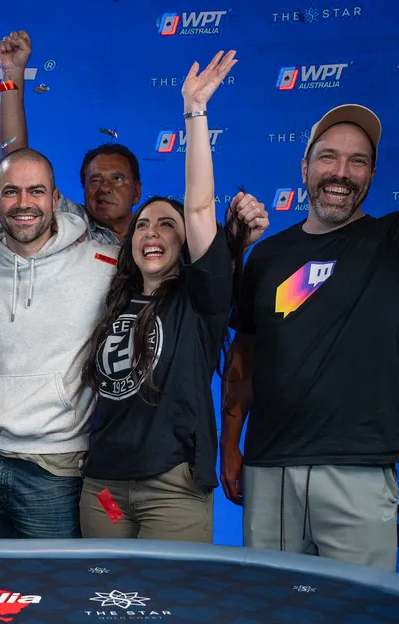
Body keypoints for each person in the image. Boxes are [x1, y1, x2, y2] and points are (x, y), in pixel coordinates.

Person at [221, 18, 399, 571]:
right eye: (328, 157)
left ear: (371, 175)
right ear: (304, 167)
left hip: (358, 471)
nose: (341, 172)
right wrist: (231, 442)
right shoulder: (267, 256)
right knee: (270, 606)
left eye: (358, 161)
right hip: (271, 467)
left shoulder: (395, 240)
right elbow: (244, 356)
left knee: (358, 608)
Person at [80, 52, 268, 541]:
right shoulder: (112, 299)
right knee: (104, 588)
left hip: (171, 490)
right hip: (104, 491)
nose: (152, 232)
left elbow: (201, 208)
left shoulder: (200, 300)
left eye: (168, 224)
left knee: (163, 593)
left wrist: (194, 110)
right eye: (143, 224)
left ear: (187, 245)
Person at [0, 148, 118, 538]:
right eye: (11, 191)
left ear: (55, 199)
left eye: (36, 191)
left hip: (53, 470)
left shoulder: (106, 266)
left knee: (54, 579)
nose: (23, 203)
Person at [0, 31, 263, 250]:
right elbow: (15, 160)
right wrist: (12, 74)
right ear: (83, 190)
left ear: (137, 191)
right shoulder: (71, 224)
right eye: (95, 180)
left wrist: (237, 241)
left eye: (118, 179)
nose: (105, 188)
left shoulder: (163, 235)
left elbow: (209, 268)